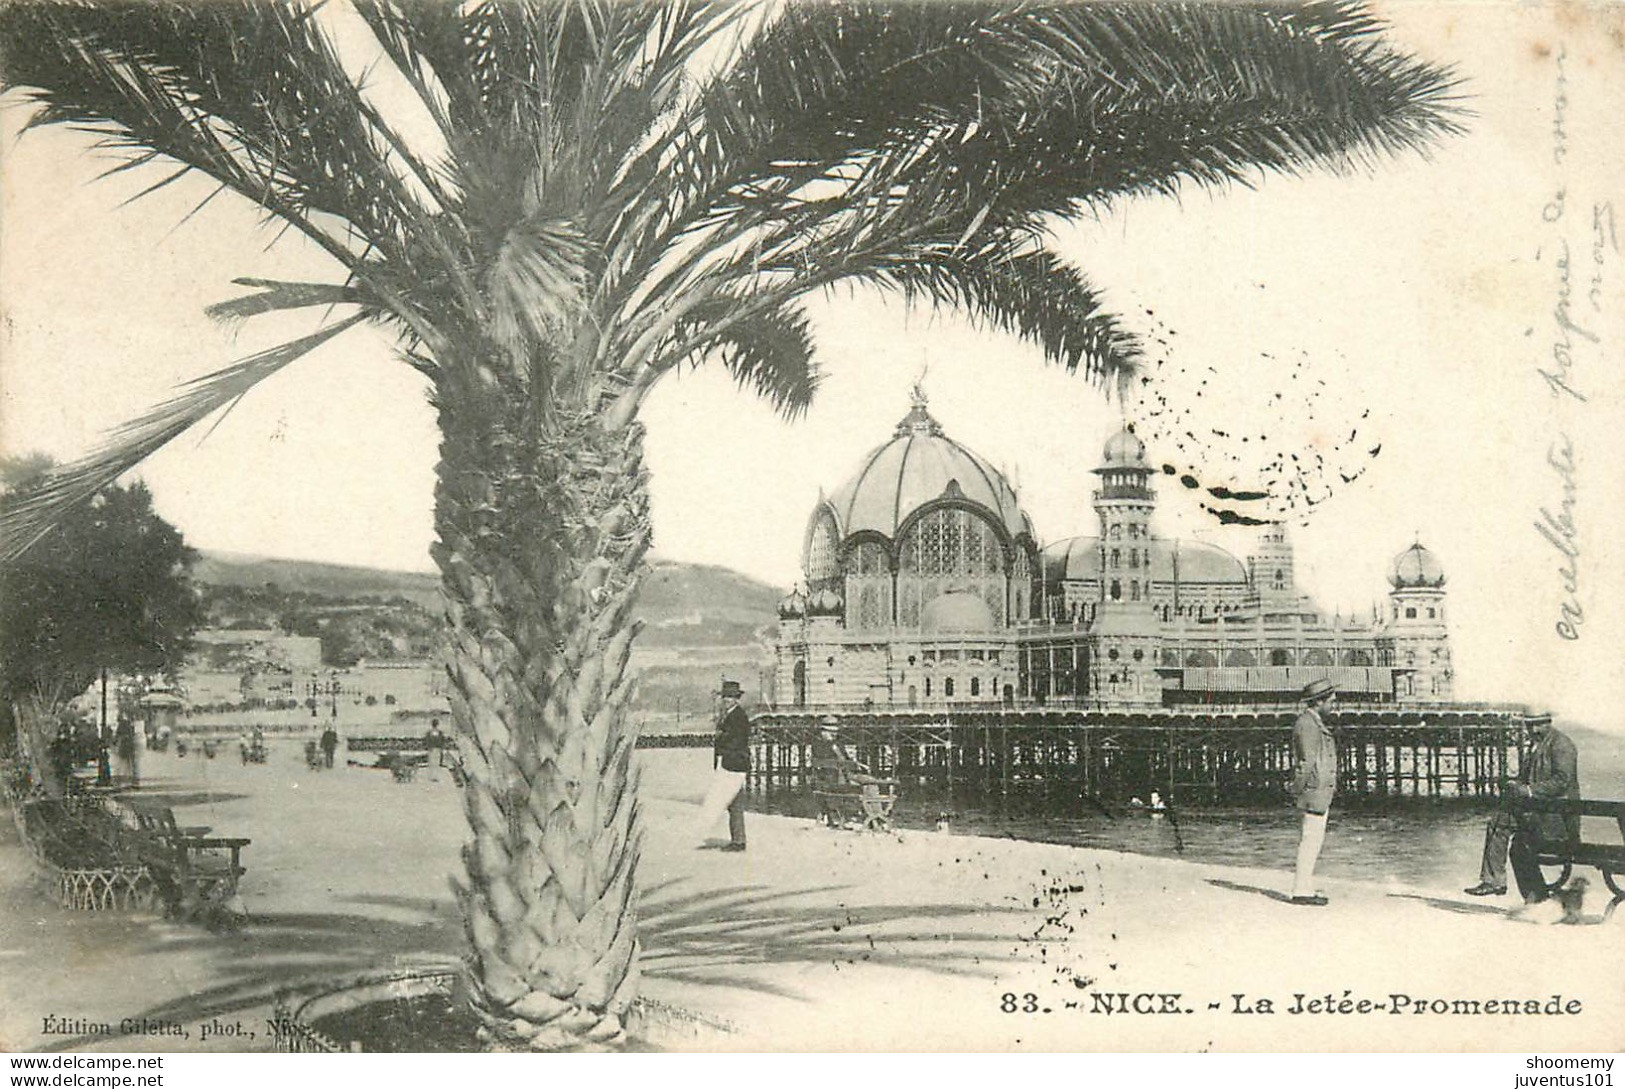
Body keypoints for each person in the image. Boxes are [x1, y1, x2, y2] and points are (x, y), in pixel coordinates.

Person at [1464, 714, 1580, 904]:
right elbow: (1531, 779)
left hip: (1557, 820)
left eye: (1537, 725)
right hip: (1540, 813)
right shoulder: (1538, 744)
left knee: (1517, 845)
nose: (1532, 730)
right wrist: (1515, 785)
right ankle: (1524, 894)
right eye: (1529, 725)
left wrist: (1527, 790)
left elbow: (1562, 781)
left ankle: (1511, 888)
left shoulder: (1561, 745)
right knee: (1503, 828)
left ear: (1548, 723)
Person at [1288, 678, 1338, 906]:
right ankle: (1301, 890)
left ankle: (1304, 886)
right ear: (1319, 701)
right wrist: (1296, 790)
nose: (1333, 706)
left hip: (1318, 790)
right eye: (1331, 701)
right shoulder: (1308, 724)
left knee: (1312, 840)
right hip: (1313, 790)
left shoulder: (1311, 721)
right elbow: (1306, 762)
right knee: (1310, 841)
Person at [696, 679, 750, 851]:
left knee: (734, 803)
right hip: (731, 764)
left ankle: (739, 842)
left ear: (736, 699)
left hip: (734, 765)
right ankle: (738, 839)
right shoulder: (731, 715)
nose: (727, 700)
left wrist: (722, 737)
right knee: (733, 803)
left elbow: (737, 739)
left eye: (730, 697)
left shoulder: (738, 716)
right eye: (725, 697)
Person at [810, 715, 879, 788]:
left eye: (835, 732)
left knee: (871, 781)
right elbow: (822, 762)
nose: (834, 734)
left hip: (845, 775)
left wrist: (856, 764)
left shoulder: (838, 745)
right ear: (823, 732)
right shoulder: (818, 745)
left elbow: (846, 758)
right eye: (830, 732)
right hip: (828, 777)